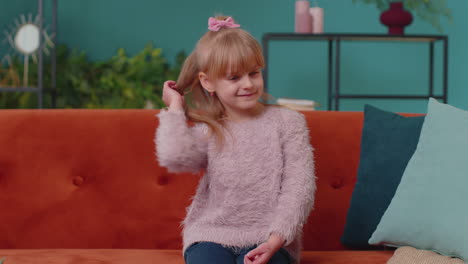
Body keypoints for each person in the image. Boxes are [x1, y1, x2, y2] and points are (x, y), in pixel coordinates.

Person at [155, 16, 316, 264]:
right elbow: (174, 158)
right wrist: (176, 107)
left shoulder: (289, 122)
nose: (248, 84)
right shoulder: (210, 129)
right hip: (210, 235)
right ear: (208, 82)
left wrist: (276, 239)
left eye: (254, 73)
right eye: (234, 78)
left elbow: (299, 188)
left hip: (270, 238)